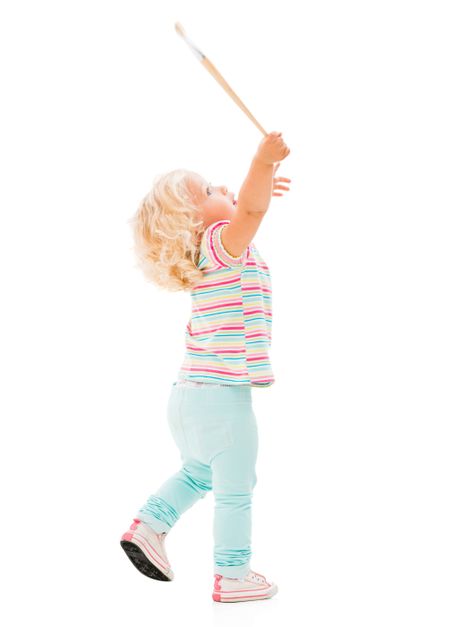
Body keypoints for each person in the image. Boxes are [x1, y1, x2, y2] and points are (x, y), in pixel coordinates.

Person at [120, 131, 291, 602]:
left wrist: (263, 176)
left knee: (200, 471)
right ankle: (233, 575)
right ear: (193, 220)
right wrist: (261, 161)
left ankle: (148, 526)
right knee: (237, 486)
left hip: (188, 396)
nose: (227, 189)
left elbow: (250, 208)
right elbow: (252, 211)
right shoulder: (220, 243)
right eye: (214, 191)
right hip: (221, 400)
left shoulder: (207, 254)